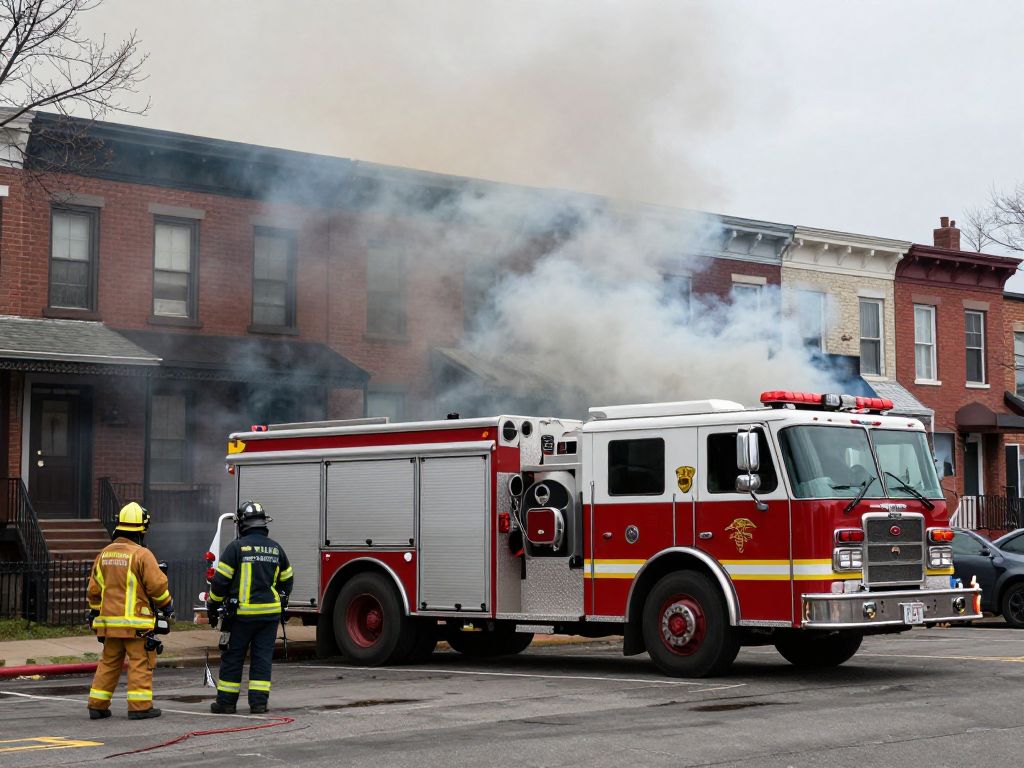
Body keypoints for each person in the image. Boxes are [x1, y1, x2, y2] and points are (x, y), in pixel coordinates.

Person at [86, 502, 174, 721]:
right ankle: (140, 707)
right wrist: (166, 605)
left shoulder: (103, 555)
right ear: (142, 530)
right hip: (136, 626)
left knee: (108, 663)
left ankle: (97, 705)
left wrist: (96, 613)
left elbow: (94, 591)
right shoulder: (142, 555)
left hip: (109, 626)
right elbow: (157, 587)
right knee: (140, 662)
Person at [207, 500, 293, 715]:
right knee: (262, 659)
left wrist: (213, 605)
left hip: (241, 617)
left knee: (233, 657)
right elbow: (287, 579)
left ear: (242, 524)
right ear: (263, 523)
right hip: (269, 616)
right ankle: (259, 704)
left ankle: (226, 703)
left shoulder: (236, 548)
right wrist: (281, 600)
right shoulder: (276, 548)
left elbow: (220, 582)